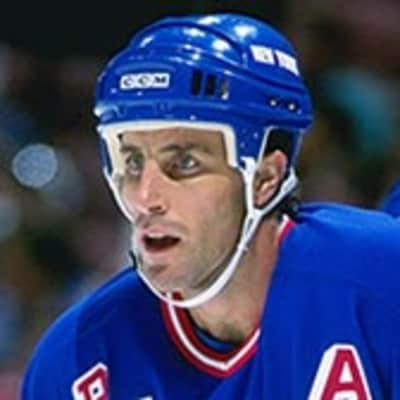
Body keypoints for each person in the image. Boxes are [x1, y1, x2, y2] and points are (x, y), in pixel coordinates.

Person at [22, 13, 400, 399]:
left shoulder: (382, 282)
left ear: (265, 178)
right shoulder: (75, 361)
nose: (145, 197)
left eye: (184, 163)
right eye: (132, 161)